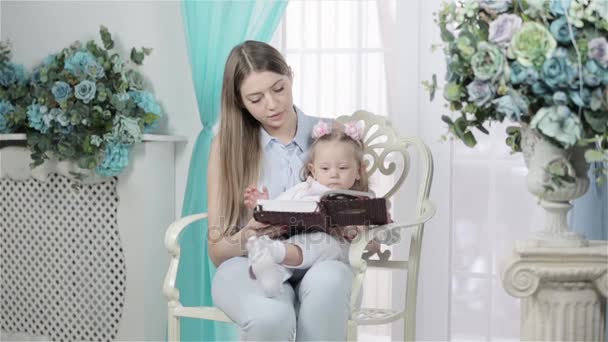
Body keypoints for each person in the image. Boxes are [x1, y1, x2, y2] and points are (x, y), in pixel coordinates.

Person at [208, 40, 354, 341]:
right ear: (240, 101)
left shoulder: (328, 133)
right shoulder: (227, 146)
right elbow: (218, 250)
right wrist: (252, 232)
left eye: (278, 89)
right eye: (256, 98)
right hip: (251, 264)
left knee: (331, 280)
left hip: (320, 259)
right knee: (270, 318)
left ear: (290, 75)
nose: (272, 105)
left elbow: (362, 201)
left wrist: (354, 223)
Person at [243, 120, 381, 298]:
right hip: (295, 249)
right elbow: (280, 206)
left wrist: (363, 235)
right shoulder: (304, 189)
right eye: (325, 168)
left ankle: (272, 253)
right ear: (313, 170)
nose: (333, 173)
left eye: (343, 168)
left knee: (326, 243)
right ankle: (269, 268)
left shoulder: (360, 200)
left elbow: (375, 240)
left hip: (331, 257)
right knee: (298, 243)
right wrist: (263, 204)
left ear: (358, 171)